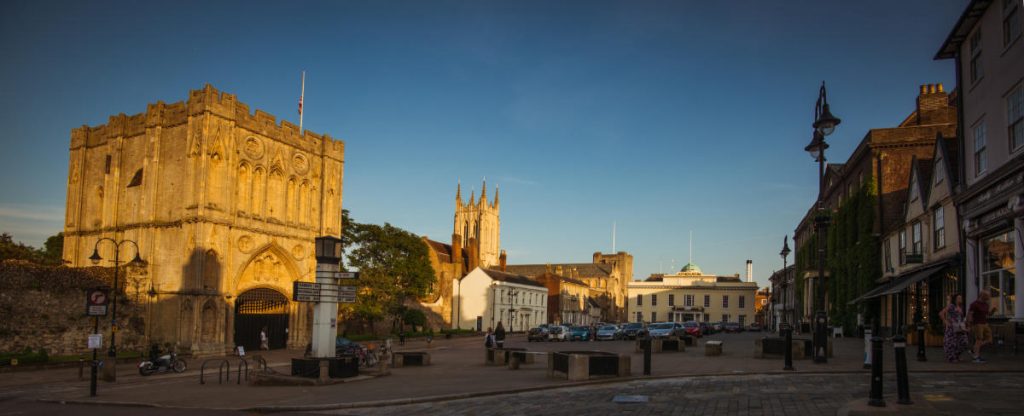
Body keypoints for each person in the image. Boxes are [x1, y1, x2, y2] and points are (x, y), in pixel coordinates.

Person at [968, 291, 996, 363]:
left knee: (989, 339)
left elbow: (988, 314)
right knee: (979, 339)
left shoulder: (986, 304)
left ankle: (974, 350)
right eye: (987, 296)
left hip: (985, 323)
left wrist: (993, 311)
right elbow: (970, 314)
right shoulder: (974, 304)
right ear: (982, 296)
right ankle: (976, 357)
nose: (989, 297)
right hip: (977, 324)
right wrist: (970, 324)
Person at [939, 293, 968, 363]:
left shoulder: (960, 307)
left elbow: (960, 318)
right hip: (952, 327)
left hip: (959, 327)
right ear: (955, 299)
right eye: (958, 298)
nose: (960, 299)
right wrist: (946, 322)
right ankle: (952, 357)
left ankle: (956, 355)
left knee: (963, 341)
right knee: (952, 343)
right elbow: (941, 313)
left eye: (961, 298)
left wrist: (964, 325)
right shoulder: (951, 306)